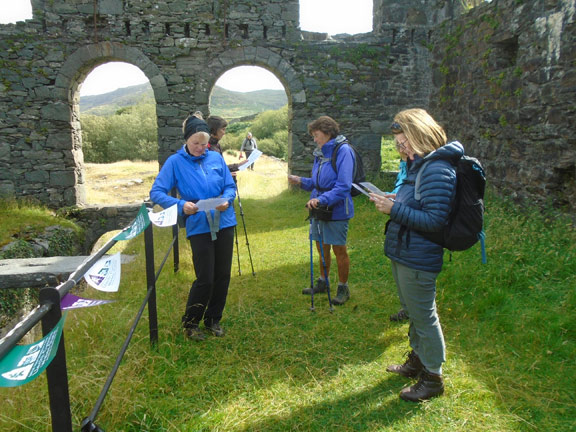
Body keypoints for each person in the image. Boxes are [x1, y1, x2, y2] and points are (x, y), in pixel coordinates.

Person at [369, 108, 462, 402]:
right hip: (406, 251)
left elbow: (435, 220)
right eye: (397, 143)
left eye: (404, 141)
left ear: (421, 132)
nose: (401, 148)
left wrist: (393, 209)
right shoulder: (418, 165)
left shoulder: (436, 168)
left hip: (420, 255)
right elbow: (420, 203)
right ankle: (418, 361)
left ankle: (433, 378)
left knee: (425, 317)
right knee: (414, 312)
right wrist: (398, 198)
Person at [150, 114, 237, 341]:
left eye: (203, 143)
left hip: (225, 221)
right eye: (195, 143)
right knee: (205, 277)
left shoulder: (216, 159)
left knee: (223, 275)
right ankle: (191, 323)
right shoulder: (174, 162)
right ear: (187, 140)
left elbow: (229, 185)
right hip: (199, 225)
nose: (200, 148)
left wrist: (227, 199)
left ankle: (213, 320)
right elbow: (157, 192)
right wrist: (180, 205)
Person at [288, 116, 355, 306]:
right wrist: (300, 181)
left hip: (337, 209)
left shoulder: (343, 151)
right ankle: (323, 282)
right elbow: (318, 183)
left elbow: (343, 186)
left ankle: (343, 288)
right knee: (321, 246)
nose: (315, 140)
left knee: (338, 249)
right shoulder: (320, 153)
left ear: (327, 132)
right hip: (318, 207)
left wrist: (322, 199)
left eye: (317, 136)